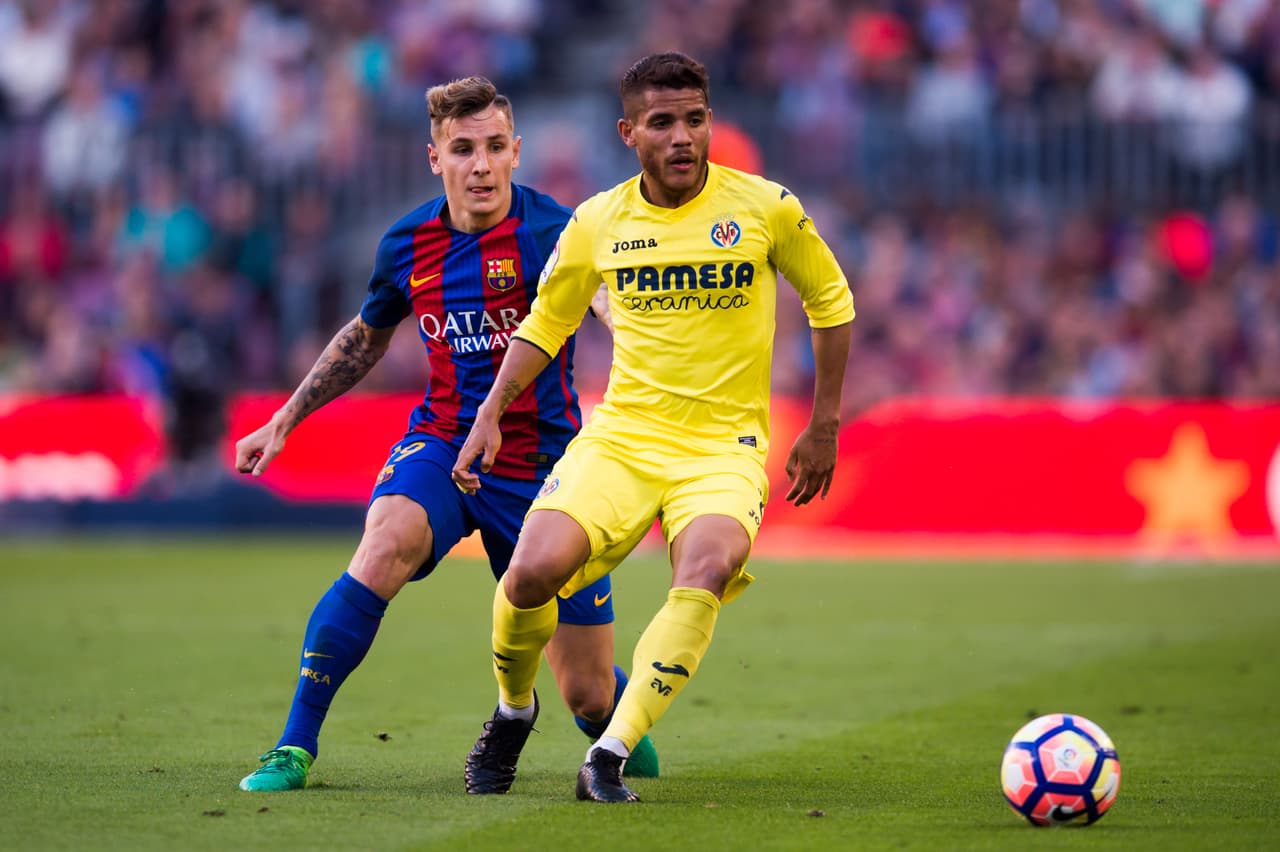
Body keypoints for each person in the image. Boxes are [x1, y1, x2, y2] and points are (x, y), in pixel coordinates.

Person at [233, 76, 658, 792]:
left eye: (495, 147)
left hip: (549, 472)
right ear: (436, 158)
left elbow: (613, 311)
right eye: (463, 149)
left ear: (517, 152)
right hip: (446, 446)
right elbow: (366, 339)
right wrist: (287, 417)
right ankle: (293, 746)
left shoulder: (558, 232)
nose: (482, 165)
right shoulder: (407, 245)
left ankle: (615, 719)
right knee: (384, 541)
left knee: (585, 694)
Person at [452, 52, 854, 803]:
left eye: (695, 120)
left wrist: (824, 423)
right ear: (628, 132)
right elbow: (548, 322)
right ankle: (513, 711)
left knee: (704, 569)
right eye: (662, 123)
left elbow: (831, 302)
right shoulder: (599, 221)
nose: (682, 138)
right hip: (624, 440)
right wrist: (491, 413)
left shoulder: (766, 207)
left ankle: (607, 754)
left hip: (721, 451)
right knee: (529, 571)